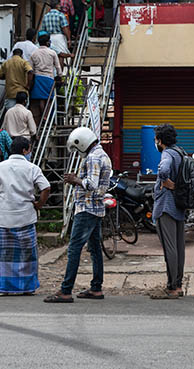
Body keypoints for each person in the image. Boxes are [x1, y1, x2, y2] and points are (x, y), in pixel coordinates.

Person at [44, 127, 112, 303]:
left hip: (87, 208)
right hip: (96, 208)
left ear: (81, 143)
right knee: (95, 248)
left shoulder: (93, 157)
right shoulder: (101, 154)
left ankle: (66, 290)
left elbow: (91, 183)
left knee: (74, 248)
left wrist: (75, 180)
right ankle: (96, 288)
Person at [0, 136, 50, 296]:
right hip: (26, 216)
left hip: (5, 217)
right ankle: (27, 287)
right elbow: (46, 188)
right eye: (29, 149)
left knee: (5, 255)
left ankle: (4, 287)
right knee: (27, 254)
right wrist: (39, 205)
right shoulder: (32, 168)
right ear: (25, 150)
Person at [150, 124, 186, 299]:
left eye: (156, 139)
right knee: (179, 247)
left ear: (160, 141)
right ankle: (178, 285)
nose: (155, 142)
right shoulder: (180, 152)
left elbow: (164, 169)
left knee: (170, 247)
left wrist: (164, 181)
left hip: (166, 206)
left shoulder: (166, 154)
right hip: (179, 205)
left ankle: (172, 286)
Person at [29, 33, 62, 125]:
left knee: (41, 99)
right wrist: (60, 76)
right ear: (48, 43)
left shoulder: (34, 53)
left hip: (38, 78)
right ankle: (46, 115)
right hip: (49, 78)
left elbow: (31, 69)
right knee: (49, 99)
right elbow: (58, 67)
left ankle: (43, 115)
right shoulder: (52, 53)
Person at [0, 48, 34, 112]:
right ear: (21, 55)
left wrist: (8, 75)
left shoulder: (6, 63)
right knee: (22, 114)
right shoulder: (24, 62)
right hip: (22, 93)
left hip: (10, 93)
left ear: (12, 54)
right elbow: (30, 72)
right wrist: (28, 85)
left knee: (11, 114)